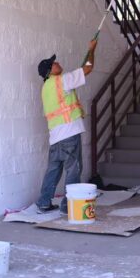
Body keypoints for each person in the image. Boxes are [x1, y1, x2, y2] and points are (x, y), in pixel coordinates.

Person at [36, 40, 97, 214]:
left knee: (53, 171)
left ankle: (43, 203)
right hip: (70, 134)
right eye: (54, 63)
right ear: (50, 71)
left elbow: (80, 72)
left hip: (55, 136)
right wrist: (92, 49)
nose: (57, 63)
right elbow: (88, 69)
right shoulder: (62, 81)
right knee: (73, 170)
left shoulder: (46, 87)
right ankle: (67, 207)